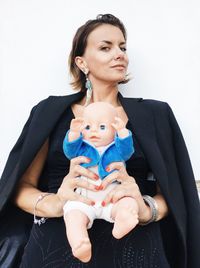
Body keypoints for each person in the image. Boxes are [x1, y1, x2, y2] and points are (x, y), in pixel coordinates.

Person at [0, 13, 199, 268]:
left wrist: (144, 208)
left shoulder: (155, 114)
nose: (120, 54)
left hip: (137, 247)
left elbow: (174, 195)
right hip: (56, 248)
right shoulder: (49, 112)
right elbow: (19, 188)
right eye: (106, 47)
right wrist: (56, 203)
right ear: (82, 62)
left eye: (123, 47)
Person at [62, 101, 138, 262]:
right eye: (88, 127)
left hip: (111, 199)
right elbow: (70, 151)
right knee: (72, 213)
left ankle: (123, 220)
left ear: (113, 129)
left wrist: (123, 133)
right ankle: (79, 243)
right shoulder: (83, 147)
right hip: (84, 200)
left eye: (102, 127)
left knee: (129, 201)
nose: (94, 132)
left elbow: (127, 150)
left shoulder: (116, 148)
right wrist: (74, 134)